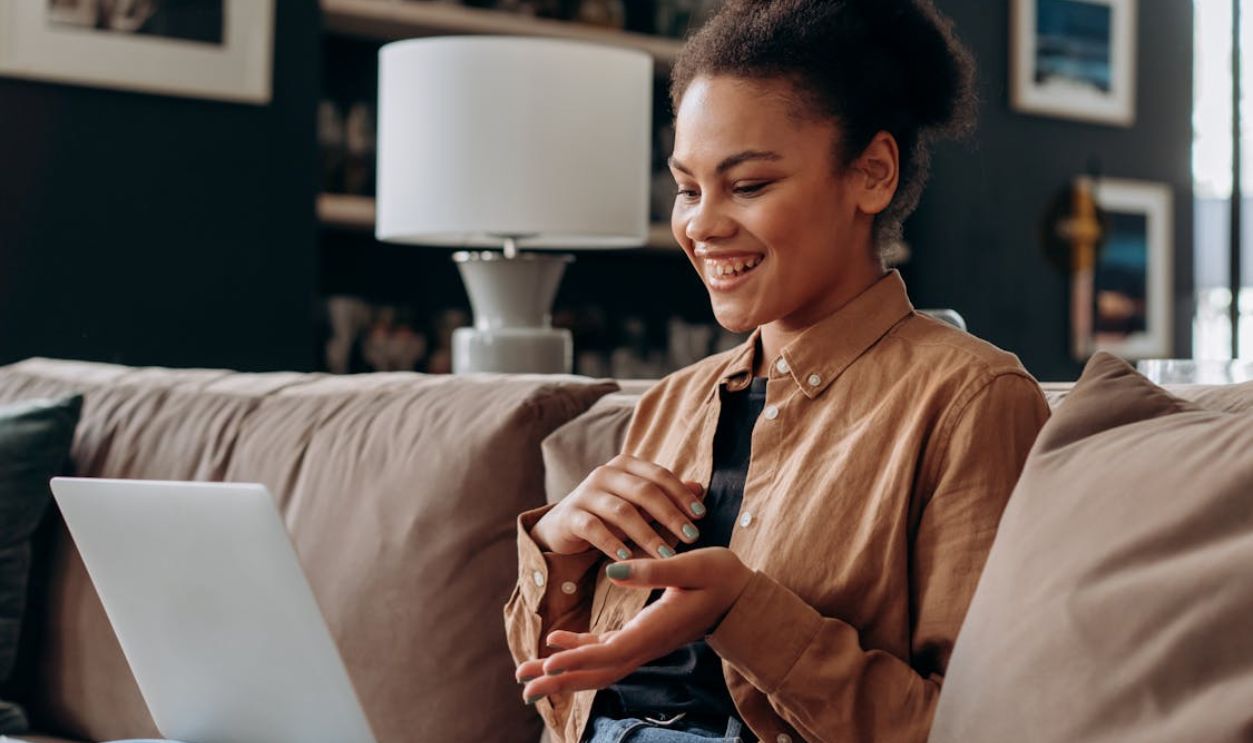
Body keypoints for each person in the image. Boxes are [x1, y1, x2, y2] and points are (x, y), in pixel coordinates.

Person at [505, 1, 1051, 741]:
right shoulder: (671, 402)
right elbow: (560, 697)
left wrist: (744, 612)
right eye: (687, 188)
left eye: (749, 185)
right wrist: (561, 547)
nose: (700, 224)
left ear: (871, 172)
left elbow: (972, 727)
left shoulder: (970, 402)